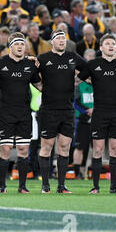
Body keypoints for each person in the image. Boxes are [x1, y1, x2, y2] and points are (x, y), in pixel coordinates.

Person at [77, 34, 116, 194]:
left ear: (115, 48)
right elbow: (78, 79)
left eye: (113, 44)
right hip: (99, 113)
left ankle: (113, 187)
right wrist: (90, 81)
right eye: (107, 44)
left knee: (115, 150)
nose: (111, 46)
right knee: (97, 150)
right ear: (101, 48)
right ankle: (95, 187)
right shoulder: (93, 64)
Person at [0, 32, 42, 193]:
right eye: (17, 44)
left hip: (24, 114)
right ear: (11, 47)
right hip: (6, 114)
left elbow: (40, 85)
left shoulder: (30, 65)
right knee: (6, 149)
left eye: (22, 44)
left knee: (24, 150)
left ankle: (22, 186)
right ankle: (2, 186)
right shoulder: (0, 63)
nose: (20, 47)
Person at [37, 29, 87, 194]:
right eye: (58, 38)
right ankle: (45, 185)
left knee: (64, 147)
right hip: (48, 109)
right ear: (52, 42)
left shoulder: (73, 57)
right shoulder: (43, 58)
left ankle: (61, 185)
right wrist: (39, 86)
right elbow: (30, 73)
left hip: (67, 109)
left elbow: (88, 69)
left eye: (63, 39)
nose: (61, 41)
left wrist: (77, 80)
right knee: (47, 146)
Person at [72, 49, 95, 180]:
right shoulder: (79, 83)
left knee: (96, 147)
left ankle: (90, 172)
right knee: (80, 146)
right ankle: (77, 173)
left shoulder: (99, 83)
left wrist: (96, 110)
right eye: (88, 57)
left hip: (97, 118)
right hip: (82, 119)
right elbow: (74, 102)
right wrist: (87, 111)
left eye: (93, 57)